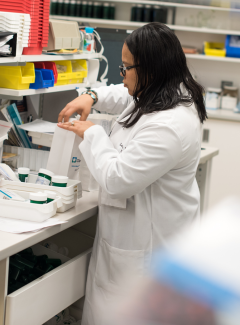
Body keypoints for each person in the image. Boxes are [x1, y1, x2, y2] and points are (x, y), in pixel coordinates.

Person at [57, 22, 207, 324]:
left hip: (149, 252)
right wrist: (92, 96)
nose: (121, 76)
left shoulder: (170, 125)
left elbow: (118, 180)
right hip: (132, 239)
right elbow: (126, 96)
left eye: (125, 68)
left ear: (150, 70)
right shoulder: (164, 92)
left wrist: (92, 134)